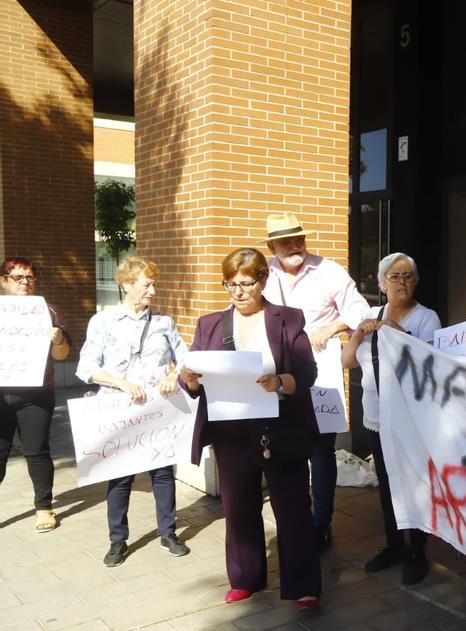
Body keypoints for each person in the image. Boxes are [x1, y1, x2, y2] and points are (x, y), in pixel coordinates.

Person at [180, 248, 322, 610]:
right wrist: (188, 379)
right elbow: (193, 379)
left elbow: (307, 373)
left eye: (245, 283)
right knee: (239, 508)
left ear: (263, 280)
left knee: (291, 507)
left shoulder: (287, 319)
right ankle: (245, 577)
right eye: (230, 284)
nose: (238, 292)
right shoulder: (209, 323)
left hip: (280, 426)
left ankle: (303, 585)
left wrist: (279, 381)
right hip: (230, 430)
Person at [261, 212, 369, 551]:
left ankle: (322, 523)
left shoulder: (329, 270)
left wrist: (330, 328)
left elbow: (361, 310)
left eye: (299, 239)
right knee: (282, 446)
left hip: (321, 370)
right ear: (271, 246)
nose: (295, 246)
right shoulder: (262, 272)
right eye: (286, 241)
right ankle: (295, 519)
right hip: (276, 374)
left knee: (322, 449)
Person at [76, 257, 190, 566]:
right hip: (118, 409)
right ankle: (117, 540)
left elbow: (186, 358)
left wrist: (173, 376)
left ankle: (168, 532)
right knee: (120, 476)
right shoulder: (103, 322)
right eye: (146, 284)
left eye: (154, 284)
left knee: (163, 473)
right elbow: (86, 368)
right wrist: (120, 383)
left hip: (157, 409)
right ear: (126, 284)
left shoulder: (164, 322)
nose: (152, 290)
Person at [342, 252, 441, 583]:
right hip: (377, 414)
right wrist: (359, 333)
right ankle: (394, 544)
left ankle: (418, 550)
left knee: (414, 481)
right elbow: (348, 361)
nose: (401, 282)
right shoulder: (371, 314)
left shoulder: (427, 317)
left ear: (416, 282)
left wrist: (395, 329)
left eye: (407, 276)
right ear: (382, 284)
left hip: (412, 415)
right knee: (387, 482)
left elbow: (430, 363)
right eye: (394, 277)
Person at [0, 257, 70, 533]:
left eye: (29, 277)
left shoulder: (47, 311)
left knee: (37, 452)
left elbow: (62, 356)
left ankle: (44, 508)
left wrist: (59, 340)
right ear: (3, 281)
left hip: (37, 394)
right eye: (18, 277)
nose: (25, 282)